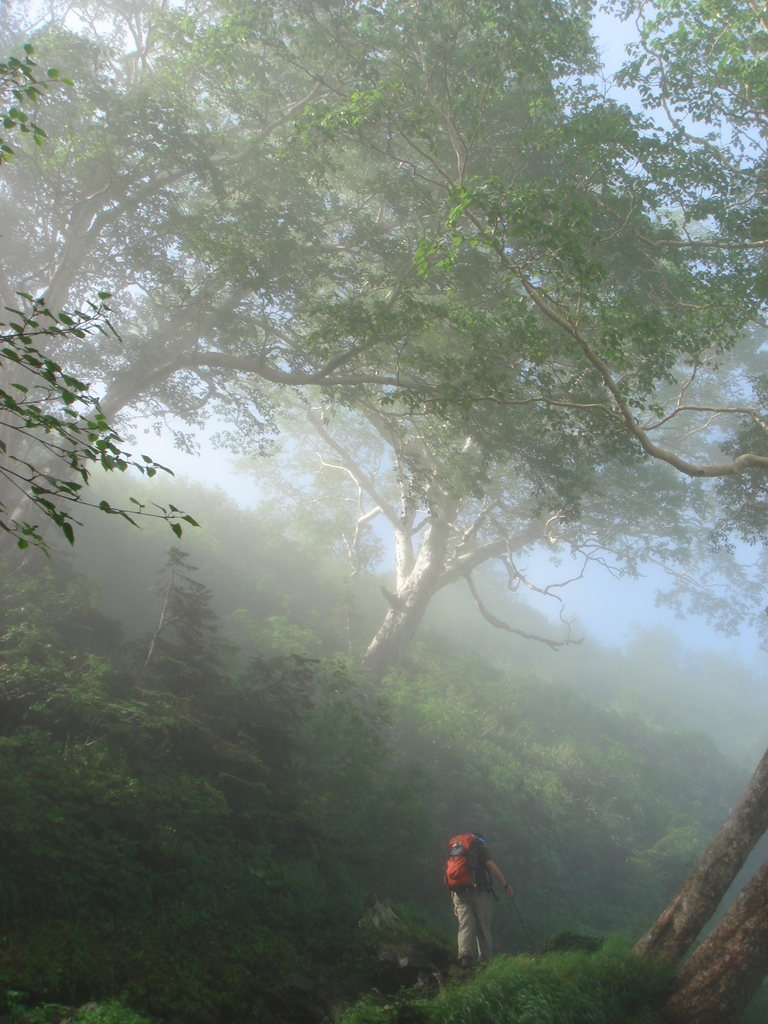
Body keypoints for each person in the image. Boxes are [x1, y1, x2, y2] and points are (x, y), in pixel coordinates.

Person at [446, 833, 513, 970]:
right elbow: (489, 864)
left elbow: (452, 875)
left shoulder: (457, 849)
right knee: (482, 925)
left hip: (458, 892)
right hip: (478, 891)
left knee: (465, 925)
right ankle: (485, 961)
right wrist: (505, 884)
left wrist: (453, 900)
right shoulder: (479, 846)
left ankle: (465, 958)